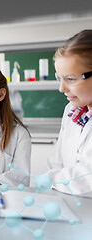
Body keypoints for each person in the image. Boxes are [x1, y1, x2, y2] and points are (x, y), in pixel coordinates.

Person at [46, 29, 92, 195]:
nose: (61, 88)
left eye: (71, 79)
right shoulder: (72, 111)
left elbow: (88, 180)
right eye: (60, 78)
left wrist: (52, 179)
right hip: (67, 205)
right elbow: (56, 162)